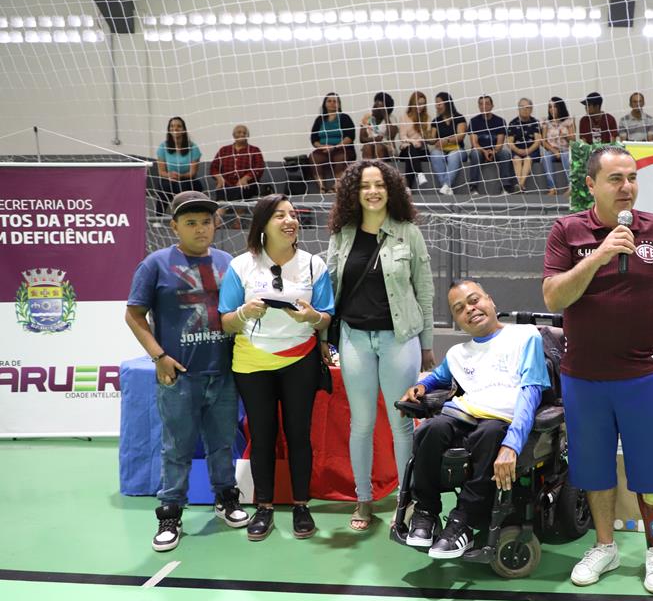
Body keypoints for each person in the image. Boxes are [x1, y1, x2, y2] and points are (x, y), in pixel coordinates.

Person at [542, 145, 653, 595]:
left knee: (650, 472)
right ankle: (605, 545)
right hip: (583, 378)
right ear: (591, 185)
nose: (627, 187)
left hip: (640, 377)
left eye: (632, 177)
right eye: (615, 179)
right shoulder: (567, 231)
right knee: (594, 471)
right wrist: (599, 255)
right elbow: (554, 298)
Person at [126, 191, 249, 552]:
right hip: (180, 376)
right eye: (191, 222)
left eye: (207, 221)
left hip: (223, 373)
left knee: (222, 442)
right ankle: (170, 514)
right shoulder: (155, 264)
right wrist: (158, 356)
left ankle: (227, 499)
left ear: (216, 224)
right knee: (176, 448)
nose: (200, 229)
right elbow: (134, 315)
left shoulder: (230, 262)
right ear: (175, 225)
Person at [398, 280, 549, 558]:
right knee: (429, 430)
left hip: (500, 422)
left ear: (490, 301)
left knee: (488, 434)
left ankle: (462, 521)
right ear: (457, 320)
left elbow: (531, 392)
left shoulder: (525, 336)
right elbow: (439, 376)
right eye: (459, 309)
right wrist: (422, 387)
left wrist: (512, 445)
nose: (470, 309)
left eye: (474, 300)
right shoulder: (459, 353)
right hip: (464, 416)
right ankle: (425, 512)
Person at [324, 161, 435, 531]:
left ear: (391, 190)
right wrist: (325, 338)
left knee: (402, 423)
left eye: (379, 185)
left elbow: (425, 291)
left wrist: (428, 344)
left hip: (399, 340)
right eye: (365, 186)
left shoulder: (408, 234)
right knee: (362, 424)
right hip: (354, 339)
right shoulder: (341, 236)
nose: (373, 191)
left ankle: (406, 500)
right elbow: (328, 292)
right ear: (354, 193)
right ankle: (363, 500)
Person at [218, 194, 335, 542]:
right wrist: (243, 313)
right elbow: (225, 322)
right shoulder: (240, 266)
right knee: (263, 435)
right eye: (280, 215)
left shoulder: (315, 265)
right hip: (252, 363)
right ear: (263, 225)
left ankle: (301, 505)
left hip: (300, 359)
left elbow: (327, 315)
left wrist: (311, 316)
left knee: (299, 435)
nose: (290, 221)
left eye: (293, 215)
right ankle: (263, 507)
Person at [466, 95, 515, 196]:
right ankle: (473, 186)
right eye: (481, 104)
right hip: (479, 151)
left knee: (505, 153)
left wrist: (493, 151)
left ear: (492, 106)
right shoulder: (473, 121)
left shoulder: (500, 121)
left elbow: (500, 143)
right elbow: (474, 143)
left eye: (487, 104)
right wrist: (484, 151)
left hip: (495, 151)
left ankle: (506, 186)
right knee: (475, 153)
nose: (484, 106)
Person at [154, 116, 204, 214]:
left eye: (178, 126)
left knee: (184, 186)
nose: (175, 129)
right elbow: (161, 172)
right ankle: (158, 217)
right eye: (172, 126)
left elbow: (193, 173)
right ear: (168, 129)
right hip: (170, 179)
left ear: (184, 129)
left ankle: (186, 215)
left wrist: (180, 176)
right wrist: (169, 175)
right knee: (164, 186)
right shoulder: (163, 147)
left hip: (187, 179)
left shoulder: (193, 147)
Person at [309, 92, 357, 194]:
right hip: (324, 150)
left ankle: (336, 186)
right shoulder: (319, 120)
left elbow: (350, 136)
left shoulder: (344, 118)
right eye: (329, 101)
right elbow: (314, 139)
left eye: (335, 101)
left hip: (342, 149)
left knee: (340, 157)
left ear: (339, 104)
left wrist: (335, 147)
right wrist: (322, 146)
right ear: (325, 103)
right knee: (313, 157)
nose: (332, 103)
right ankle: (322, 187)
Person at [210, 124, 265, 202]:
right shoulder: (224, 150)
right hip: (225, 184)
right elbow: (213, 167)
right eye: (239, 132)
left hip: (247, 185)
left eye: (244, 133)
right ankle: (220, 212)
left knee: (239, 192)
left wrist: (246, 178)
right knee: (222, 191)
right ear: (233, 135)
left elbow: (259, 167)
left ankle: (238, 212)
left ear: (248, 135)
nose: (242, 134)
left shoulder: (254, 150)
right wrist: (219, 178)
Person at [428, 92, 468, 196]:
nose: (437, 106)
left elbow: (461, 136)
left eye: (439, 103)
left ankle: (445, 185)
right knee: (434, 154)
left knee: (453, 156)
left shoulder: (459, 118)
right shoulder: (435, 121)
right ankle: (446, 187)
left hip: (457, 149)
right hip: (441, 150)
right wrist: (426, 137)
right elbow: (432, 139)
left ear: (447, 103)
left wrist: (446, 140)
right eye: (436, 104)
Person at [541, 97, 575, 196]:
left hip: (565, 150)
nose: (552, 109)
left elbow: (573, 140)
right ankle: (552, 188)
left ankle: (571, 186)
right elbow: (543, 141)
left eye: (554, 107)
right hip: (552, 150)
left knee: (565, 156)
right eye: (550, 107)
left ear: (560, 107)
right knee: (546, 157)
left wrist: (565, 135)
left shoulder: (568, 121)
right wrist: (554, 151)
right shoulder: (546, 122)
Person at [398, 91, 433, 189]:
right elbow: (402, 137)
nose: (421, 107)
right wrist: (413, 142)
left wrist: (421, 141)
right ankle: (419, 173)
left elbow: (428, 136)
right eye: (419, 104)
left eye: (423, 104)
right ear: (413, 103)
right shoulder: (404, 117)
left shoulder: (427, 118)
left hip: (422, 150)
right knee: (411, 150)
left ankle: (408, 187)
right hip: (407, 149)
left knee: (411, 157)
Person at [507, 98, 543, 193]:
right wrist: (518, 150)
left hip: (532, 151)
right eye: (522, 107)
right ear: (518, 109)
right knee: (517, 160)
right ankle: (521, 187)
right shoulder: (513, 123)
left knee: (527, 159)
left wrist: (528, 151)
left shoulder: (535, 122)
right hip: (517, 150)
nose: (524, 109)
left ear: (531, 109)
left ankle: (520, 184)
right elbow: (509, 142)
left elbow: (538, 141)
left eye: (527, 107)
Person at [360, 91, 399, 161]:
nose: (374, 108)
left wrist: (385, 115)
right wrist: (375, 139)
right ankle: (367, 171)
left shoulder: (392, 118)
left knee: (378, 147)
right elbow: (362, 139)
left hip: (388, 148)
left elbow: (391, 136)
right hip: (370, 145)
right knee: (367, 147)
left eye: (378, 107)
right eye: (374, 105)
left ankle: (380, 171)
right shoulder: (367, 117)